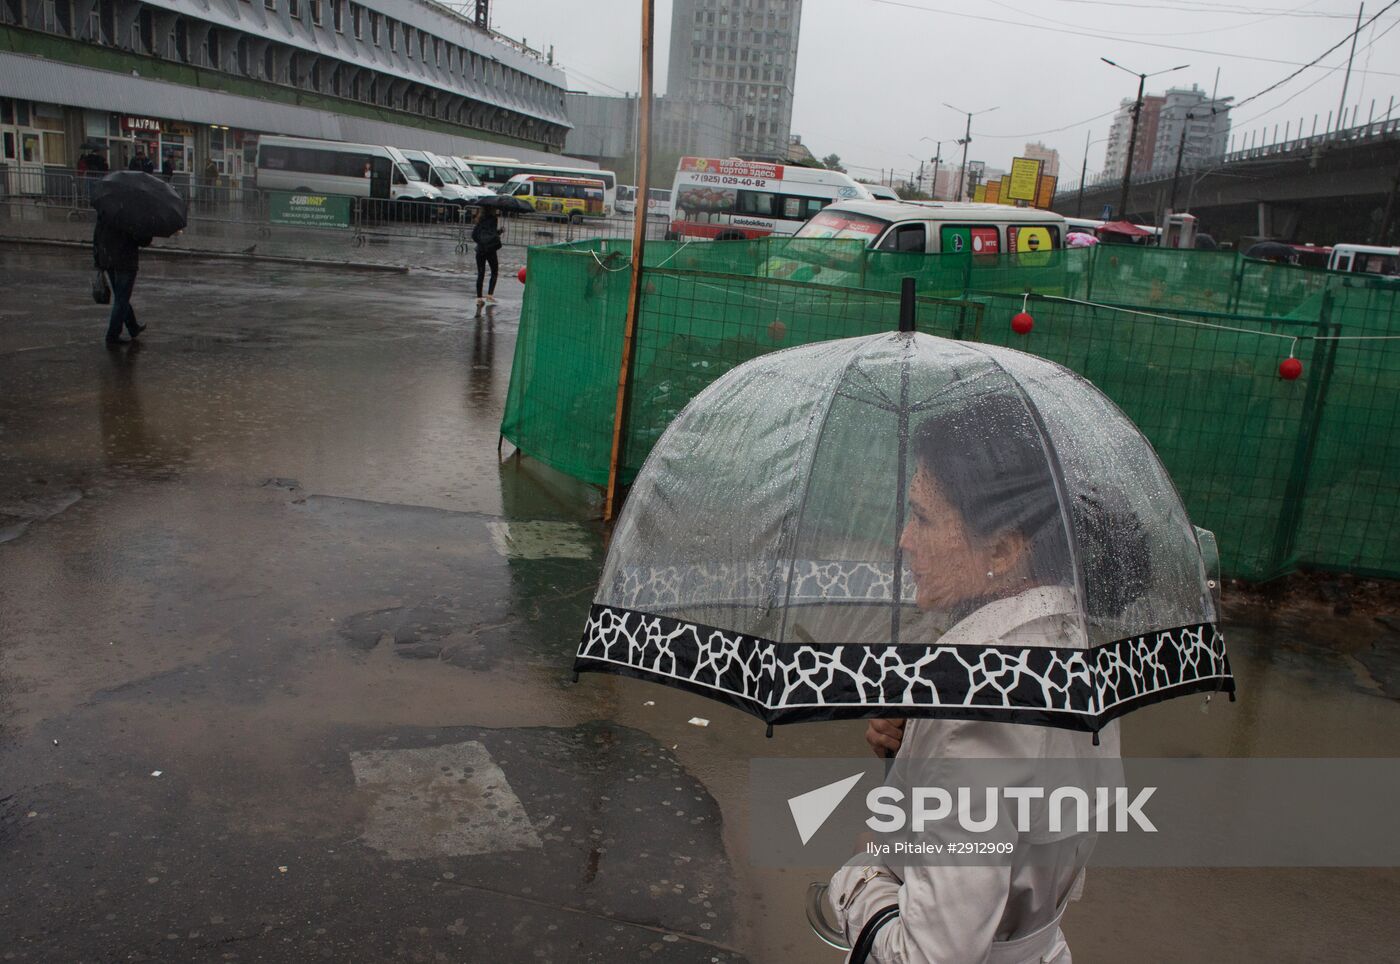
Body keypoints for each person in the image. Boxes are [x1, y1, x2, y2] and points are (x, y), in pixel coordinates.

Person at [828, 393, 1141, 964]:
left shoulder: (978, 695)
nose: (903, 540)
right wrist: (915, 752)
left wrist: (860, 879)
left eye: (922, 517)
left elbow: (929, 955)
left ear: (1001, 548)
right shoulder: (1072, 641)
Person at [93, 212, 152, 347]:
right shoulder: (133, 213)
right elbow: (143, 240)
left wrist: (98, 260)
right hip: (125, 261)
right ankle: (112, 335)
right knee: (121, 299)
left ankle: (132, 327)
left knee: (121, 297)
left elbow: (97, 235)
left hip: (108, 259)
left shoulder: (107, 209)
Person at [471, 208, 502, 306]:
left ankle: (479, 298)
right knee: (494, 271)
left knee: (481, 273)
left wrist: (480, 242)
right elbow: (492, 234)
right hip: (490, 250)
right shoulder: (493, 219)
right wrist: (500, 232)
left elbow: (474, 235)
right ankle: (489, 295)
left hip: (480, 250)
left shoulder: (479, 220)